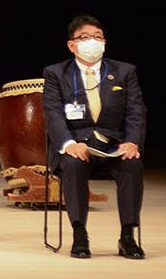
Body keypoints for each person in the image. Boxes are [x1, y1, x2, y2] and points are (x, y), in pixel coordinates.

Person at [43, 14, 146, 260]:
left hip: (113, 145)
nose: (93, 42)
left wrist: (132, 142)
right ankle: (80, 235)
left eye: (98, 37)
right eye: (85, 37)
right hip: (77, 145)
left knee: (132, 165)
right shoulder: (56, 73)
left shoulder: (124, 71)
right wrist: (69, 144)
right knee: (73, 165)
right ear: (72, 45)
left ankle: (127, 236)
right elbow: (53, 114)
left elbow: (136, 110)